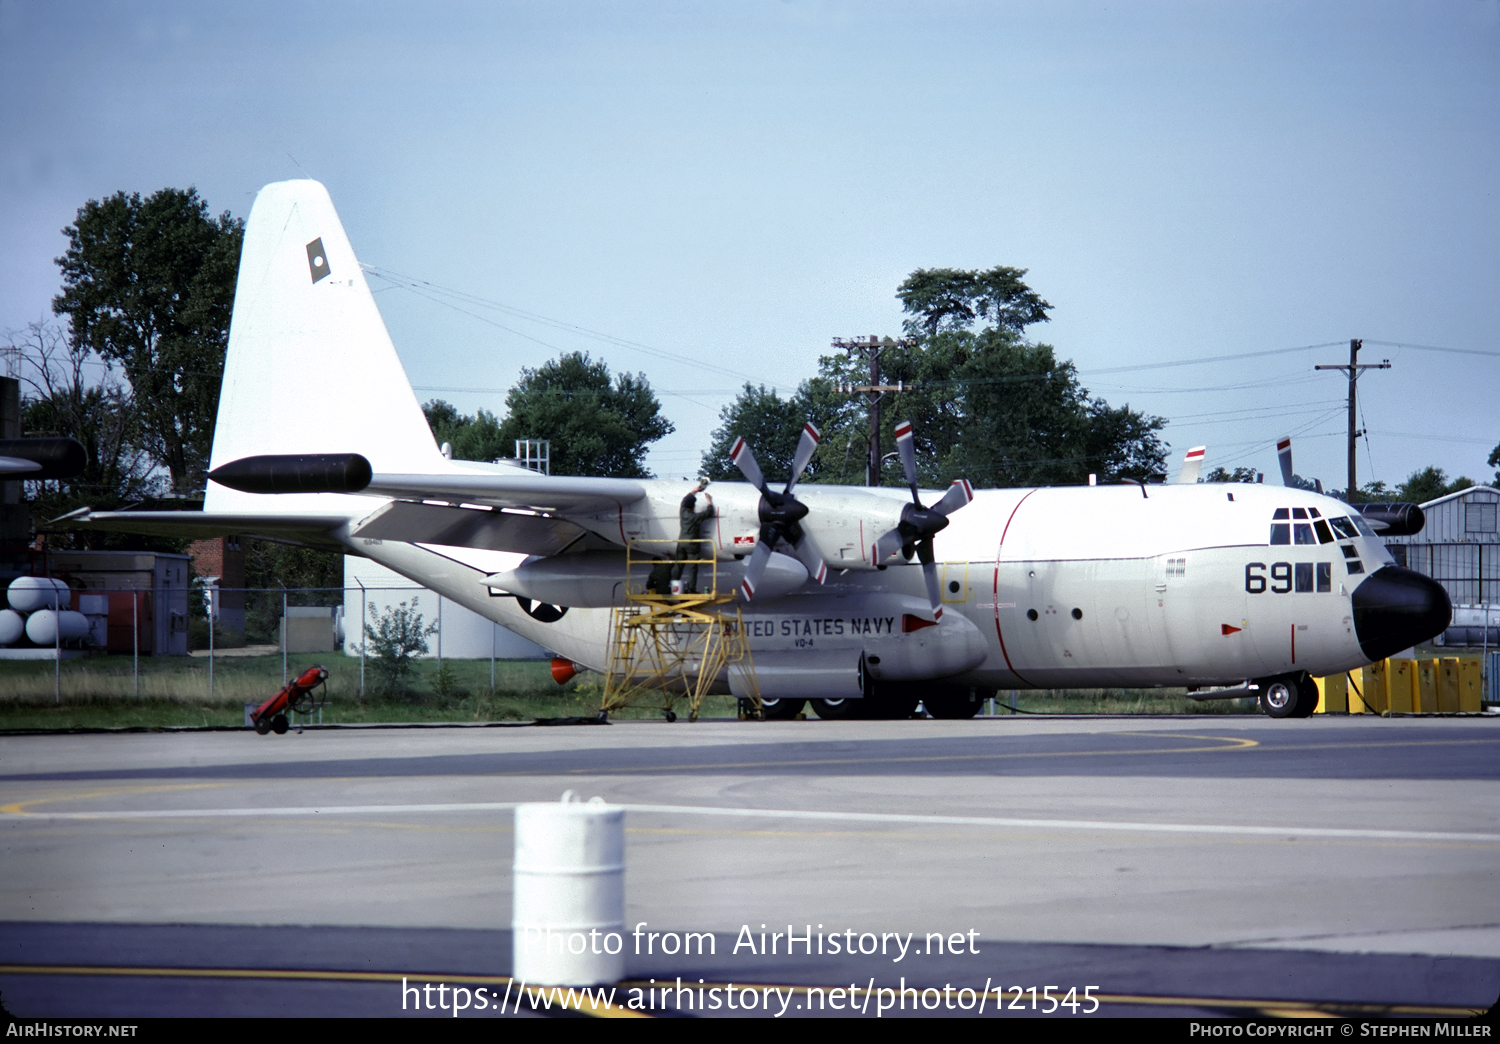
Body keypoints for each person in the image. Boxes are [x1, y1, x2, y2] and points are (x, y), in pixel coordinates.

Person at [671, 479, 714, 595]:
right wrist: (709, 501)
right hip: (692, 543)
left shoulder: (683, 512)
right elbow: (709, 512)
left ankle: (673, 586)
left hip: (681, 542)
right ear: (693, 506)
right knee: (692, 567)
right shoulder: (695, 517)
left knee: (678, 565)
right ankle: (691, 589)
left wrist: (694, 491)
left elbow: (684, 502)